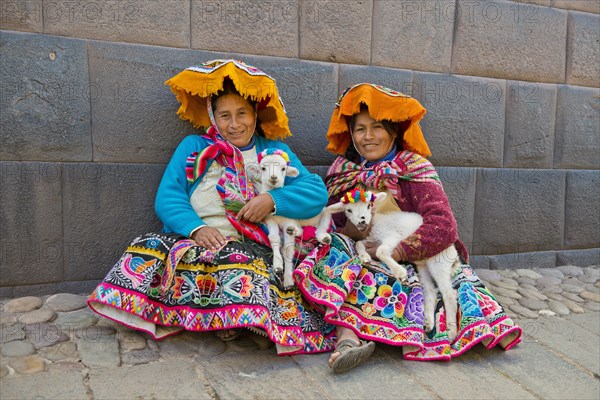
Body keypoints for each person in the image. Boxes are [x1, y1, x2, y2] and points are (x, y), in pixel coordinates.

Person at [88, 59, 336, 355]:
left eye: (242, 113)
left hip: (252, 247)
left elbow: (315, 191)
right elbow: (168, 196)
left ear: (255, 115)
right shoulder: (194, 148)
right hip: (200, 244)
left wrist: (272, 200)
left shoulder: (275, 152)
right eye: (225, 115)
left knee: (249, 263)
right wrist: (196, 228)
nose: (234, 124)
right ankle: (225, 314)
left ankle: (229, 314)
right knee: (147, 248)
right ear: (212, 118)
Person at [294, 83, 522, 373]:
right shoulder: (343, 170)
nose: (368, 136)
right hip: (364, 252)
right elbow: (335, 222)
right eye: (360, 129)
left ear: (393, 132)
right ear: (351, 134)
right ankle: (347, 343)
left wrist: (399, 250)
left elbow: (443, 226)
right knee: (337, 254)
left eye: (377, 127)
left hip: (413, 253)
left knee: (445, 280)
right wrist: (354, 231)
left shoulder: (413, 167)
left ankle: (465, 330)